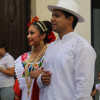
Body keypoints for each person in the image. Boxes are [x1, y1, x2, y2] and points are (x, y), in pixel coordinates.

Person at [37, 0, 97, 100]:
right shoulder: (51, 47)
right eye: (52, 15)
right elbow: (46, 78)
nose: (52, 19)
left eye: (57, 16)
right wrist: (41, 79)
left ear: (70, 19)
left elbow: (84, 87)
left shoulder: (82, 47)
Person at [13, 16, 56, 100]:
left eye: (32, 33)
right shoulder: (24, 58)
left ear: (42, 35)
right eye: (28, 33)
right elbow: (18, 86)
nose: (28, 36)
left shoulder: (51, 55)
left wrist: (42, 72)